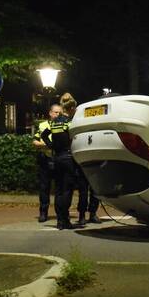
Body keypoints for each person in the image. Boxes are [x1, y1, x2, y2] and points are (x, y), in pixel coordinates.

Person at [61, 92, 100, 225]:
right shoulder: (74, 123)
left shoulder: (77, 122)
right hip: (84, 159)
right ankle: (85, 214)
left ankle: (89, 214)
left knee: (90, 190)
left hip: (86, 159)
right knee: (85, 190)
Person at [39, 103, 75, 230]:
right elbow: (74, 136)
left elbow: (43, 135)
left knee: (58, 190)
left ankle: (60, 221)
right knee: (67, 190)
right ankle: (66, 219)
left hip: (57, 158)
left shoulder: (53, 123)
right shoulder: (68, 122)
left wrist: (51, 146)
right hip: (68, 157)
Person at [31, 103, 62, 223]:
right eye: (56, 112)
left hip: (59, 159)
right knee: (44, 187)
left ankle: (60, 213)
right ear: (50, 113)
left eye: (60, 112)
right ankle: (43, 213)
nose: (58, 114)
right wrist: (48, 145)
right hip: (45, 159)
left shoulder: (63, 124)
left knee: (60, 188)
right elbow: (35, 142)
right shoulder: (43, 125)